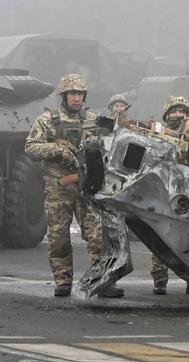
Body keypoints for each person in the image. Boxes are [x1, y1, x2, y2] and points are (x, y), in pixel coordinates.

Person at [24, 74, 123, 297]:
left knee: (98, 237)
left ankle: (103, 281)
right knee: (59, 238)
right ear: (64, 96)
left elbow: (112, 144)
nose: (76, 98)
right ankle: (63, 281)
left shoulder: (92, 119)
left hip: (87, 187)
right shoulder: (48, 120)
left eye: (80, 94)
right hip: (59, 188)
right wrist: (58, 150)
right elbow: (31, 147)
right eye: (72, 94)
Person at [151, 96, 189, 296]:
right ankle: (160, 280)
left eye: (181, 111)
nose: (178, 115)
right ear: (166, 115)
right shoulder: (156, 134)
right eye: (173, 111)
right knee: (160, 234)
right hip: (164, 191)